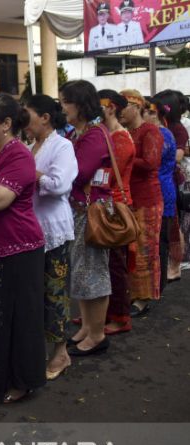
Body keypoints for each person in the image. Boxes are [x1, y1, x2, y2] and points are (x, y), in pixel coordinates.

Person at [0, 93, 46, 402]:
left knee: (20, 320)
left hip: (18, 249)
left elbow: (0, 199)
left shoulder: (19, 155)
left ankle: (21, 382)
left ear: (6, 123)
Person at [24, 94, 78, 380]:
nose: (24, 121)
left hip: (54, 229)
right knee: (36, 293)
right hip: (30, 229)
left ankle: (61, 352)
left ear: (45, 117)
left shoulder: (63, 146)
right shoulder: (30, 146)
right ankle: (44, 349)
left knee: (54, 292)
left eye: (28, 114)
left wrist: (31, 173)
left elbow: (59, 184)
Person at [60, 80, 113, 356]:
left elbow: (78, 173)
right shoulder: (77, 133)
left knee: (93, 271)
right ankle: (87, 328)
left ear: (79, 105)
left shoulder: (93, 135)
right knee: (80, 272)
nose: (62, 107)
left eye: (65, 102)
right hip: (79, 210)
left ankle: (97, 333)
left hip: (92, 211)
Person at [120, 89, 164, 317]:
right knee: (131, 249)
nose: (119, 112)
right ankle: (132, 293)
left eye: (123, 107)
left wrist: (122, 156)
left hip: (148, 199)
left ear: (136, 107)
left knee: (145, 249)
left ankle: (143, 298)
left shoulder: (150, 131)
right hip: (129, 197)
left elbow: (150, 162)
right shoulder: (125, 131)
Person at [97, 89, 136, 335]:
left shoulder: (120, 138)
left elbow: (109, 175)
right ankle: (104, 313)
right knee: (105, 264)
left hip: (116, 206)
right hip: (105, 205)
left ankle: (121, 316)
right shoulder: (106, 134)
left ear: (111, 107)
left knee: (116, 265)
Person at [155, 90, 189, 281]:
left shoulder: (176, 129)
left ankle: (175, 267)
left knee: (173, 226)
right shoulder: (164, 127)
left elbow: (178, 155)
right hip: (163, 180)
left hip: (172, 181)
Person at [145, 100, 178, 293]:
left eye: (146, 111)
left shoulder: (162, 134)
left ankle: (159, 284)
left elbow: (153, 162)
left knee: (160, 240)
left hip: (163, 190)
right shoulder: (155, 133)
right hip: (159, 188)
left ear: (155, 114)